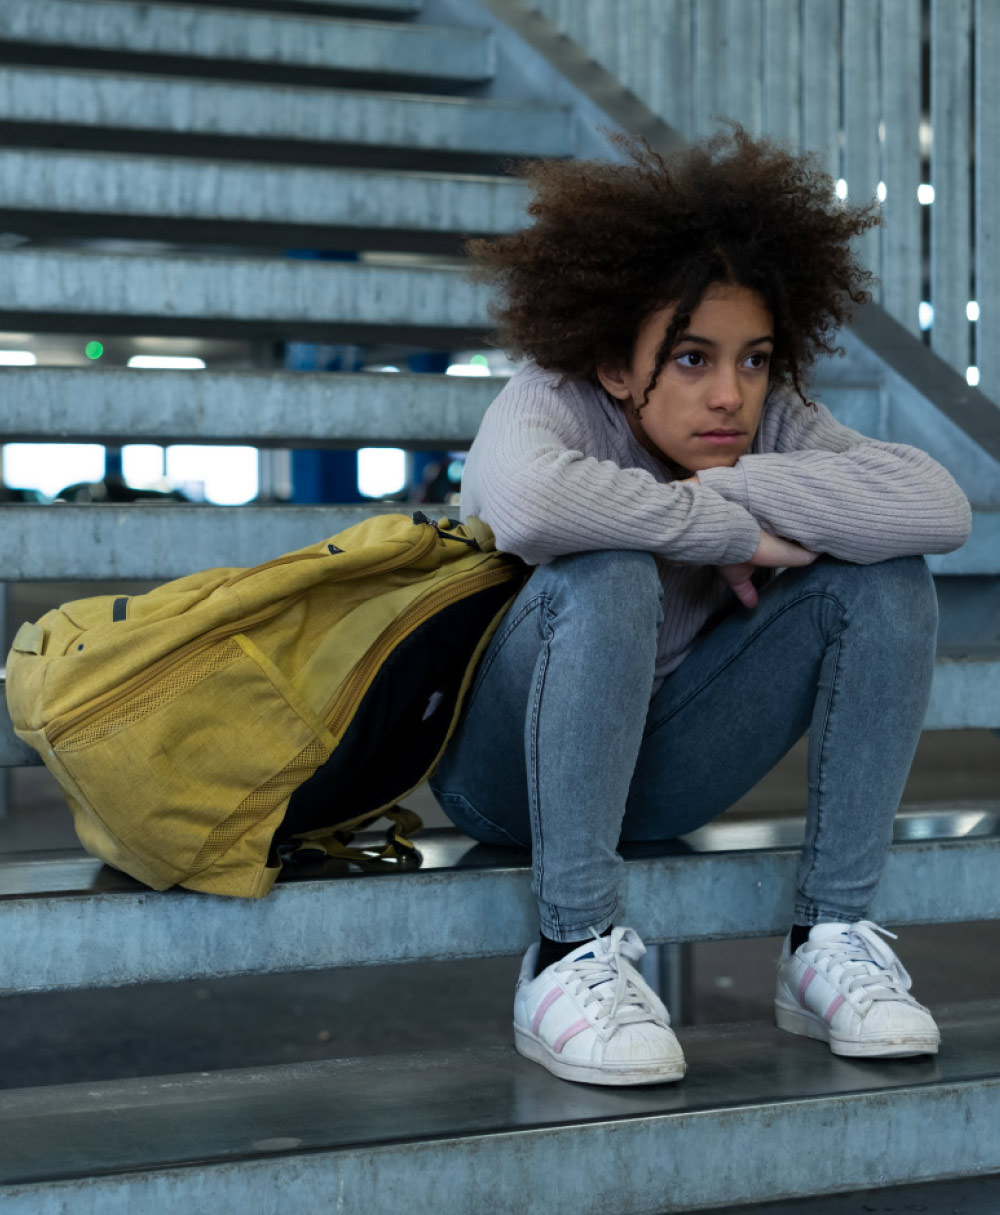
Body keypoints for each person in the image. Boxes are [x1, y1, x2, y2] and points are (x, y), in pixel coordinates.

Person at [429, 129, 972, 1087]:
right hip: (501, 768)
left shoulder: (766, 421)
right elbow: (529, 501)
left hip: (662, 763)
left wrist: (738, 492)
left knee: (887, 577)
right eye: (690, 359)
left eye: (755, 359)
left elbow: (938, 506)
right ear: (613, 362)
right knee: (609, 568)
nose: (730, 395)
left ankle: (830, 938)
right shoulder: (550, 399)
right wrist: (725, 533)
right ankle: (568, 952)